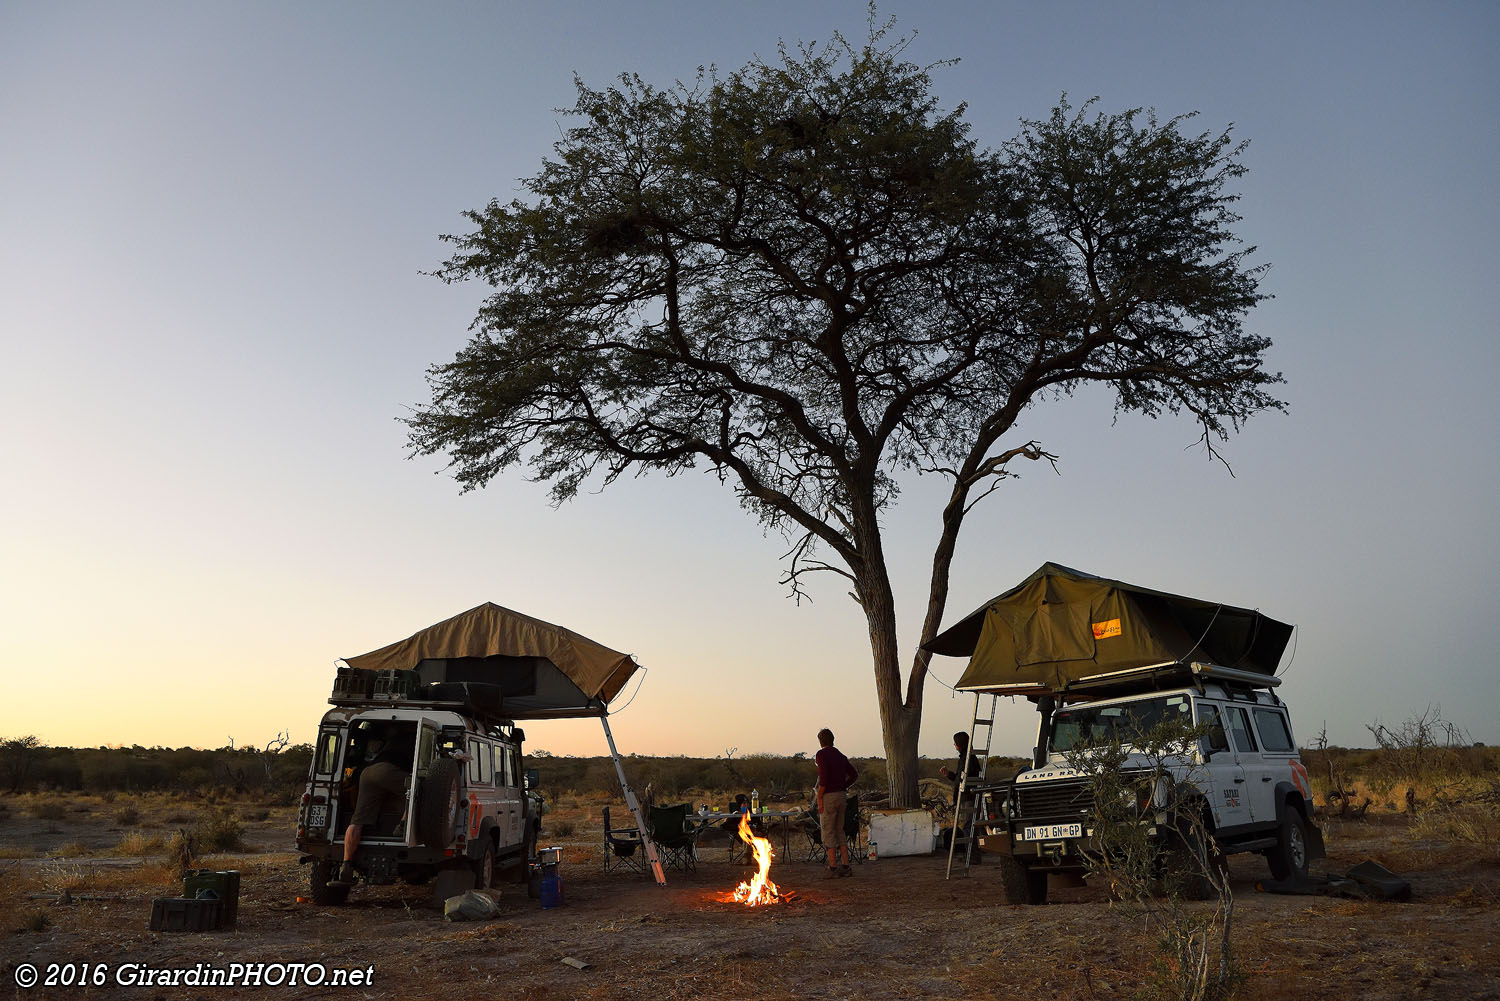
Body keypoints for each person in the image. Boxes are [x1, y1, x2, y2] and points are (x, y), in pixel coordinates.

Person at [334, 725, 412, 885]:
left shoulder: (391, 740)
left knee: (357, 821)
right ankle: (403, 824)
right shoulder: (416, 738)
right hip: (388, 771)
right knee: (420, 790)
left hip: (368, 773)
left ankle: (346, 864)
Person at [814, 727, 858, 878]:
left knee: (828, 830)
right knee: (840, 830)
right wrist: (843, 786)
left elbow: (824, 778)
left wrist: (819, 797)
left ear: (820, 741)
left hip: (829, 797)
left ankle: (832, 868)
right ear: (833, 740)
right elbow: (854, 774)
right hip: (841, 796)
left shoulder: (821, 755)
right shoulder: (840, 755)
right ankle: (846, 866)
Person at [939, 731, 983, 857]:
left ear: (959, 744)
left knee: (969, 827)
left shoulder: (968, 759)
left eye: (955, 743)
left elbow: (963, 781)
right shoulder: (966, 758)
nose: (954, 745)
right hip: (967, 797)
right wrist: (949, 775)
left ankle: (972, 855)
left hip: (969, 797)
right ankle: (971, 854)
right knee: (969, 826)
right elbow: (961, 779)